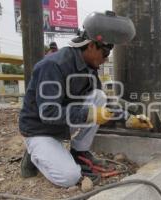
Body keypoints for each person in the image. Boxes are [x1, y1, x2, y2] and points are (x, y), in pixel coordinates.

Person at [19, 11, 150, 188]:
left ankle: (79, 152)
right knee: (70, 177)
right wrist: (90, 114)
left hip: (62, 125)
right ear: (91, 46)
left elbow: (103, 103)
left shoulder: (89, 68)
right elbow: (48, 113)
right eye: (105, 53)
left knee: (99, 96)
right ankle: (34, 155)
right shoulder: (53, 66)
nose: (106, 59)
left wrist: (128, 118)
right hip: (40, 130)